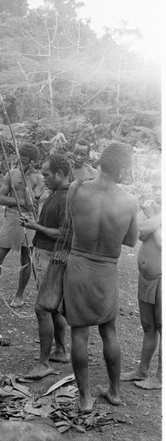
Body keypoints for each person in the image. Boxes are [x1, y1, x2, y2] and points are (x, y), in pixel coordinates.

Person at [62, 142, 139, 413]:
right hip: (107, 269)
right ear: (122, 171)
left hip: (79, 265)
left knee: (79, 335)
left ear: (101, 162)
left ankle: (84, 399)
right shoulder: (129, 201)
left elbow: (69, 225)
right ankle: (115, 391)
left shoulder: (77, 189)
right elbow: (131, 240)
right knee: (109, 331)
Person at [0, 143, 45, 308]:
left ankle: (19, 296)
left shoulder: (39, 179)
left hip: (29, 221)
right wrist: (19, 201)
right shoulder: (11, 174)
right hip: (12, 219)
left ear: (34, 162)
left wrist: (25, 184)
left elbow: (31, 203)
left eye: (26, 161)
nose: (21, 163)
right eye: (20, 159)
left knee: (26, 259)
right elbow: (0, 199)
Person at [19, 154, 70, 379]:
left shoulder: (66, 197)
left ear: (60, 174)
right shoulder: (55, 193)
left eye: (47, 174)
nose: (43, 177)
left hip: (52, 255)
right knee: (54, 307)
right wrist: (35, 224)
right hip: (45, 253)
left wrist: (36, 227)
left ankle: (44, 363)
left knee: (43, 308)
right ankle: (60, 350)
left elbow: (65, 234)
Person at [121, 173, 162, 389]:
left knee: (162, 326)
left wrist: (157, 216)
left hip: (161, 278)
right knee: (148, 326)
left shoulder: (152, 211)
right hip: (145, 277)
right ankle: (142, 369)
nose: (157, 191)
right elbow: (141, 232)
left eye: (161, 188)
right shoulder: (151, 210)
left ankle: (160, 376)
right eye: (155, 187)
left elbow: (161, 242)